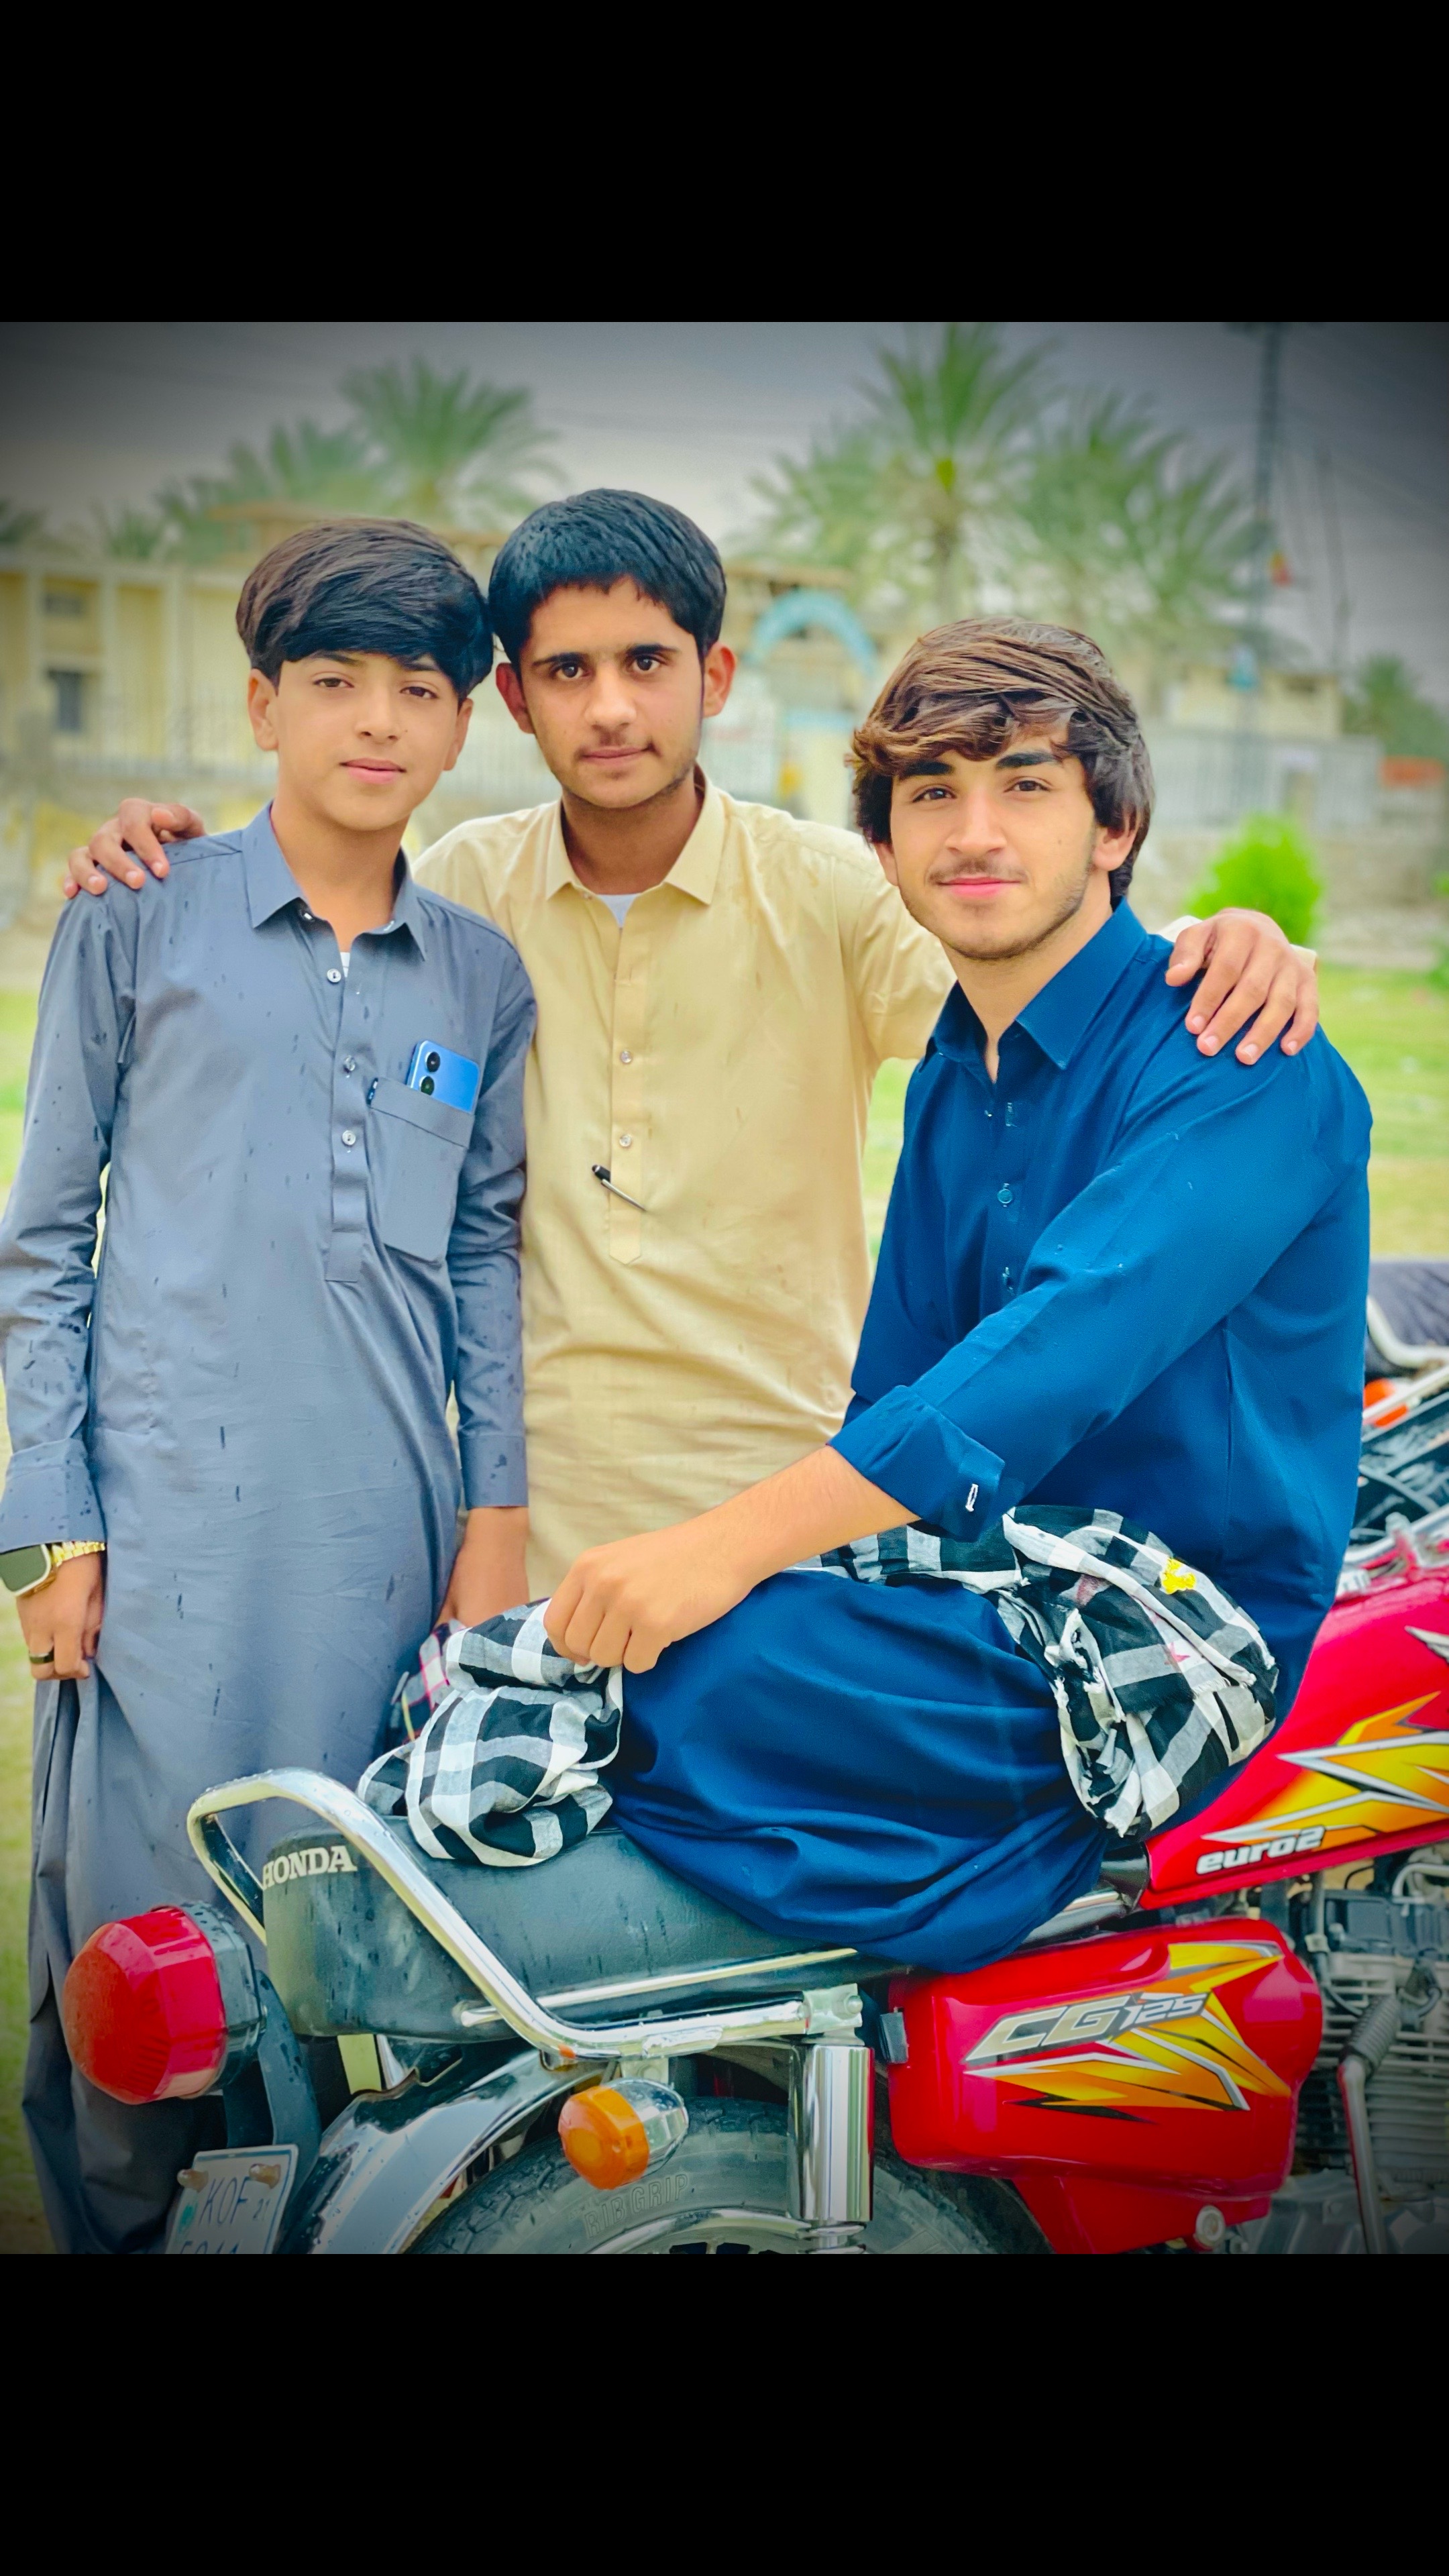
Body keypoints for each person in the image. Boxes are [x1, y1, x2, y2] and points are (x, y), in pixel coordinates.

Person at [67, 494, 1320, 1594]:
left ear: (714, 677)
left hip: (793, 1523)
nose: (611, 707)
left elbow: (1027, 978)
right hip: (512, 1521)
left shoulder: (834, 893)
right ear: (514, 699)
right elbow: (298, 961)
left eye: (647, 662)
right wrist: (168, 868)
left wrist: (1207, 943)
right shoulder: (462, 894)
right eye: (567, 671)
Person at [535, 621, 1371, 1970]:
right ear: (885, 846)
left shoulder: (1240, 1051)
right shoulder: (953, 1069)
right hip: (986, 1583)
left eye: (1026, 785)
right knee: (617, 1654)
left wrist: (722, 1550)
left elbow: (1048, 1361)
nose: (975, 833)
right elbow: (902, 1388)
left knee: (700, 1669)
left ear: (1115, 826)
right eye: (932, 793)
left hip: (1169, 1623)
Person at [0, 519, 535, 2252]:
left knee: (341, 1967)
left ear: (464, 723)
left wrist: (495, 1521)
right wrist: (47, 1535)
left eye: (418, 690)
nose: (376, 721)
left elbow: (480, 1259)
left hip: (381, 1553)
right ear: (261, 705)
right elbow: (41, 1242)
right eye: (333, 682)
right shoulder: (137, 916)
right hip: (164, 1545)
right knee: (138, 1958)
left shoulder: (481, 976)